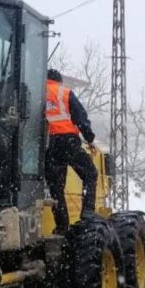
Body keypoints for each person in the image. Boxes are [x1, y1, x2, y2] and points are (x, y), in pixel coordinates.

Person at [45, 68, 98, 234]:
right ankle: (87, 211)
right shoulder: (64, 91)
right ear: (59, 80)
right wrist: (89, 139)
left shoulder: (36, 92)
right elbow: (80, 118)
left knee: (56, 188)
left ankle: (62, 226)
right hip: (68, 141)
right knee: (90, 173)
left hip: (49, 144)